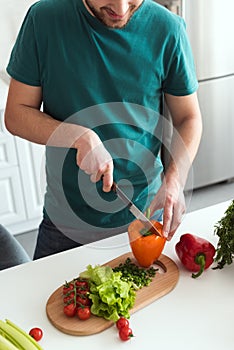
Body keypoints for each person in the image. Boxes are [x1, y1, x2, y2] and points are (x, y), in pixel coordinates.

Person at [4, 0, 202, 259]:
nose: (120, 9)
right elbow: (16, 114)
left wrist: (175, 180)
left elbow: (189, 118)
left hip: (144, 215)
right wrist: (78, 137)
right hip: (64, 224)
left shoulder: (168, 29)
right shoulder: (43, 20)